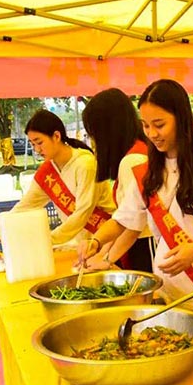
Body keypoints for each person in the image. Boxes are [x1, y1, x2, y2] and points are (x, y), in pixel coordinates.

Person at [79, 79, 193, 355]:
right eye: (146, 126)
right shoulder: (148, 172)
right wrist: (96, 243)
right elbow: (125, 220)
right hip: (169, 298)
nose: (152, 134)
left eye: (159, 125)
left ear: (181, 119)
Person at [0, 109, 115, 266]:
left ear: (57, 136)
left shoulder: (85, 164)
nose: (37, 150)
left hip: (106, 241)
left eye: (40, 143)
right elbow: (25, 206)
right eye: (33, 144)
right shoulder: (48, 170)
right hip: (82, 247)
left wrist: (48, 240)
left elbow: (82, 213)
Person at [80, 87, 154, 273]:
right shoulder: (139, 150)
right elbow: (123, 218)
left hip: (145, 247)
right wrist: (101, 249)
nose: (94, 142)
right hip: (137, 244)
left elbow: (132, 224)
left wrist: (106, 258)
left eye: (93, 134)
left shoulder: (132, 161)